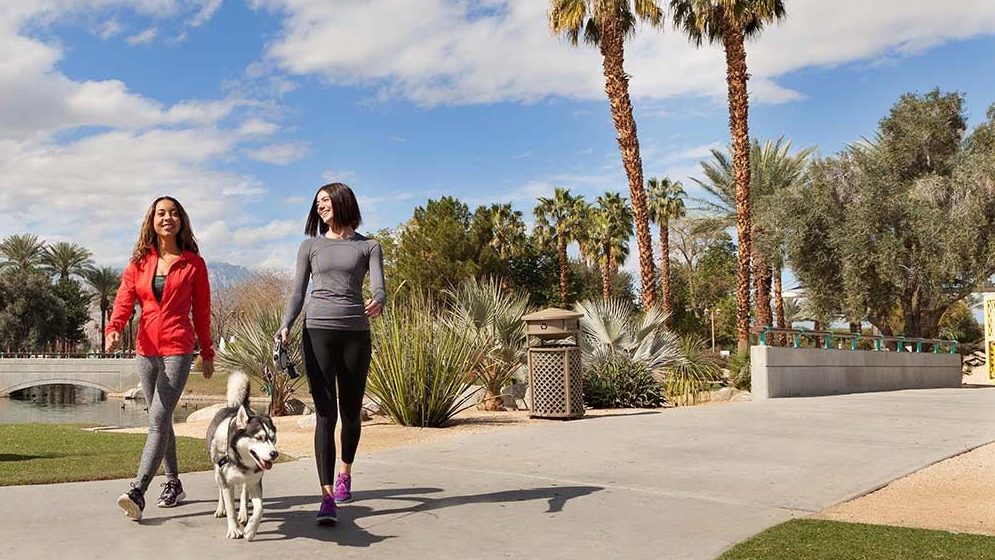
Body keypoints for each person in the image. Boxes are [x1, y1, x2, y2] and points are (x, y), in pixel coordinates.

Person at [278, 182, 385, 525]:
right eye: (318, 202)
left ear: (342, 202)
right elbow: (297, 292)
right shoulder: (310, 246)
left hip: (355, 331)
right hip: (317, 330)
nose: (321, 206)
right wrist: (286, 324)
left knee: (351, 413)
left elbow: (380, 288)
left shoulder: (369, 246)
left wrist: (379, 301)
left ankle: (345, 473)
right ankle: (326, 498)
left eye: (326, 200)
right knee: (326, 414)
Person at [107, 196, 215, 522]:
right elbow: (124, 302)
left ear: (181, 220)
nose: (167, 218)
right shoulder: (138, 263)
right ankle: (173, 483)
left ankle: (138, 491)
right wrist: (113, 328)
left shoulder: (194, 264)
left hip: (178, 349)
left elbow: (203, 312)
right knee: (163, 420)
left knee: (156, 419)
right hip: (145, 350)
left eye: (173, 213)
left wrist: (207, 352)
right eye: (161, 213)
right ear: (152, 220)